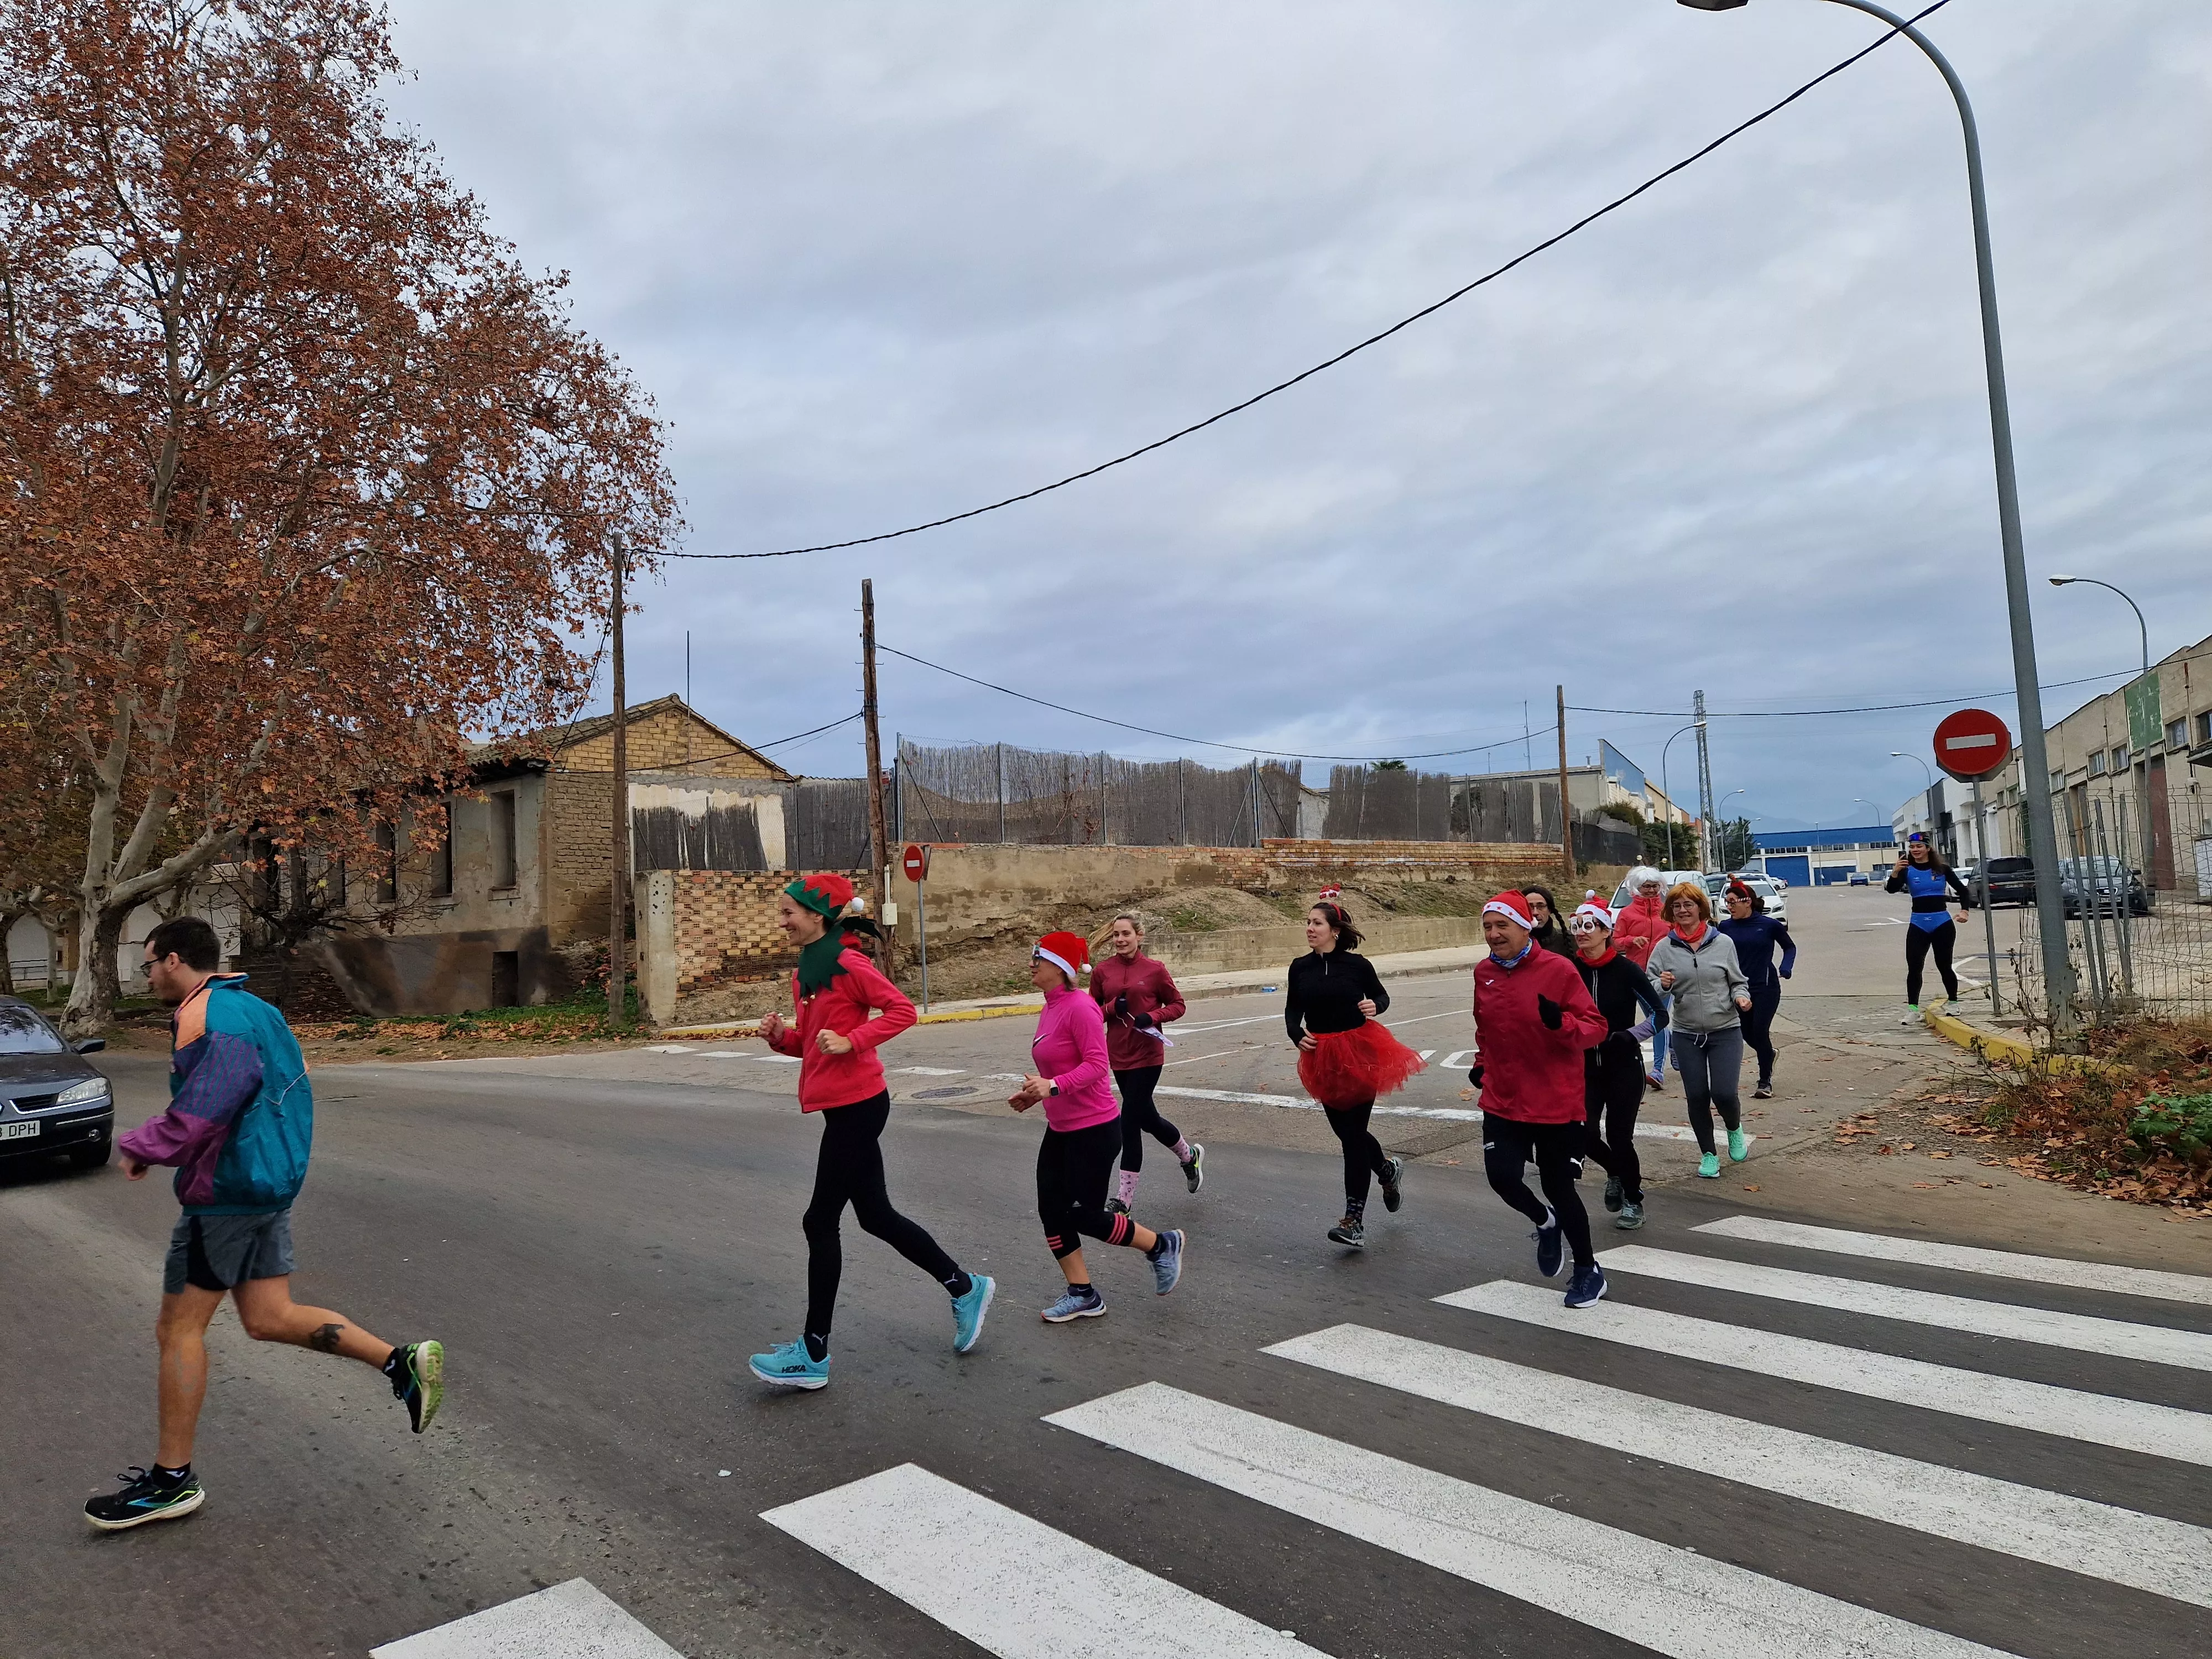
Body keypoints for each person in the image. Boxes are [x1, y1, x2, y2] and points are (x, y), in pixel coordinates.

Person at [88, 917, 442, 1532]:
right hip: (269, 1182)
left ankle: (171, 1481)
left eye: (148, 964)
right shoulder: (256, 1009)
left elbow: (209, 1103)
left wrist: (146, 1145)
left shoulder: (208, 1016)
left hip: (226, 1192)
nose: (146, 976)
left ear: (174, 960)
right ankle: (399, 1362)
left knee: (177, 1330)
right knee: (268, 1317)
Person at [749, 874, 993, 1390]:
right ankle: (965, 1287)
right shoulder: (807, 972)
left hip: (860, 1105)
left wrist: (856, 1040)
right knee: (876, 1217)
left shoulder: (850, 963)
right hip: (840, 1109)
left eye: (788, 912)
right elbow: (813, 1043)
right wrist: (781, 1038)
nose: (782, 921)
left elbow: (903, 1010)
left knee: (820, 1221)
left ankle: (813, 1354)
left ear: (817, 916)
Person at [1013, 932, 1185, 1321]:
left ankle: (1161, 1244)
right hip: (1061, 1127)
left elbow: (1095, 1066)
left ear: (1059, 967)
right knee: (1051, 1211)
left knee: (1082, 1214)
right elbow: (1059, 1065)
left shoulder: (1080, 1007)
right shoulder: (1051, 1005)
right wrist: (1038, 1092)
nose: (1031, 965)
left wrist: (1053, 1086)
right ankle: (1083, 1293)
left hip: (1093, 1129)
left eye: (1037, 959)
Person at [1468, 891, 1612, 1306]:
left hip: (1554, 1098)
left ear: (1525, 926)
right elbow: (1485, 1028)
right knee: (1502, 1176)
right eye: (1488, 927)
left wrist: (1561, 1024)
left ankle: (1588, 1271)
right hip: (1504, 1096)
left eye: (1502, 926)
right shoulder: (1484, 973)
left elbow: (1595, 1027)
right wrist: (1482, 1063)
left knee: (1558, 1185)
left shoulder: (1559, 969)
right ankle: (1545, 1223)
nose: (1494, 935)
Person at [1286, 888, 1424, 1249]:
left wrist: (1375, 1007)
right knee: (1349, 1134)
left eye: (1316, 923)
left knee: (1352, 1138)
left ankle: (1354, 1221)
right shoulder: (1300, 968)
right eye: (1308, 923)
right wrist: (1294, 1033)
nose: (1310, 929)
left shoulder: (1358, 966)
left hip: (1360, 1050)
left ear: (1335, 930)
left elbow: (1382, 996)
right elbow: (1292, 1010)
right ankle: (1387, 1171)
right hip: (1321, 1056)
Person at [1568, 893, 1667, 1230]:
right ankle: (1615, 1172)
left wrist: (1630, 1035)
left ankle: (1633, 1199)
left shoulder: (1626, 970)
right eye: (1577, 926)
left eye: (1590, 925)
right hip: (1583, 1067)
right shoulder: (1567, 971)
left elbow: (1659, 1016)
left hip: (1623, 1065)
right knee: (1583, 1135)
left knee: (1620, 1135)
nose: (1582, 932)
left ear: (1606, 930)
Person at [1090, 914, 1202, 1214]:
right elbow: (1092, 1013)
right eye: (1116, 935)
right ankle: (1189, 1156)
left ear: (1139, 936)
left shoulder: (1154, 970)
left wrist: (1152, 1017)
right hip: (1118, 1055)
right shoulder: (1103, 972)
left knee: (1129, 1122)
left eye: (1126, 934)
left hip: (1149, 1054)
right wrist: (1113, 1008)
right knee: (1148, 1119)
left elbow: (1178, 1005)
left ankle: (1123, 1200)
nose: (1120, 940)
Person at [1645, 882, 1754, 1179]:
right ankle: (1708, 1154)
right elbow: (1648, 985)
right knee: (1697, 1096)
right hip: (1686, 1032)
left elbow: (1737, 981)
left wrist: (1741, 997)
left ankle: (1734, 1129)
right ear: (1671, 911)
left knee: (1724, 1093)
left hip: (1725, 1030)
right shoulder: (1665, 948)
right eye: (1677, 906)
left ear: (1700, 908)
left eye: (1688, 905)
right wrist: (1662, 985)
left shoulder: (1723, 943)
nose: (1682, 910)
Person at [1715, 878, 1797, 1099]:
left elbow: (1789, 947)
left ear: (1748, 902)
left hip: (1766, 987)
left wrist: (1786, 967)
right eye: (1727, 902)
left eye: (1733, 902)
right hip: (1737, 988)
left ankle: (1765, 1081)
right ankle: (1768, 1054)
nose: (1729, 906)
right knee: (1746, 1033)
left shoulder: (1769, 925)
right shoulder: (1725, 927)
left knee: (1760, 1031)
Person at [1885, 834, 1969, 1018]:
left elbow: (1963, 890)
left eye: (1919, 847)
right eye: (1912, 847)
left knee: (1944, 965)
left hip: (1942, 923)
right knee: (1915, 967)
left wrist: (1965, 911)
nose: (1915, 850)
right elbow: (1891, 889)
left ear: (1928, 849)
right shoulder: (1907, 870)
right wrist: (1895, 872)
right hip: (1918, 924)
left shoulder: (1942, 869)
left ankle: (1953, 1002)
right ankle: (1913, 1010)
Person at [1613, 867, 1672, 1091]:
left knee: (1657, 1018)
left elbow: (1678, 938)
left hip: (1664, 975)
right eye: (1646, 886)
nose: (1651, 890)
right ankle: (1674, 1046)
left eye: (1655, 886)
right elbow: (1615, 942)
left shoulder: (1667, 912)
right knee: (1655, 1019)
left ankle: (1658, 1070)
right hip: (1636, 974)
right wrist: (1630, 940)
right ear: (1636, 888)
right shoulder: (1627, 914)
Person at [1523, 886, 1575, 957]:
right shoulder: (1512, 944)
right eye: (1529, 907)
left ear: (1549, 910)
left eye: (1541, 906)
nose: (1535, 912)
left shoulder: (1571, 941)